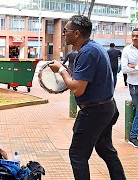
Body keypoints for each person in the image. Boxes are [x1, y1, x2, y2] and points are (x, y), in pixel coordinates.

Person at [49, 15, 126, 180]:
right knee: (105, 150)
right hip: (107, 108)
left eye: (65, 31)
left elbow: (77, 89)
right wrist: (64, 71)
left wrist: (61, 71)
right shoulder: (94, 48)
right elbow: (80, 80)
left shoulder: (88, 52)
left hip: (94, 112)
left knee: (77, 155)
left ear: (76, 33)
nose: (63, 34)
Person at [121, 27, 138, 147]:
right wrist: (136, 68)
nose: (134, 38)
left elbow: (130, 67)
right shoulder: (127, 50)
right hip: (134, 85)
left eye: (137, 36)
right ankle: (133, 136)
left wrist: (134, 66)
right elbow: (124, 69)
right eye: (133, 35)